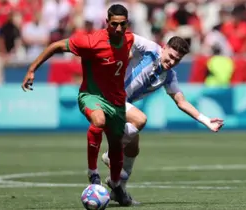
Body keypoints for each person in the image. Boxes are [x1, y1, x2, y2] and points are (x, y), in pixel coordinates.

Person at [22, 4, 136, 206]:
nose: (118, 29)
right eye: (114, 24)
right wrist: (32, 69)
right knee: (98, 121)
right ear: (107, 22)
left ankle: (117, 186)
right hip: (91, 96)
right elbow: (56, 46)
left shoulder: (130, 39)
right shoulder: (91, 42)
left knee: (117, 146)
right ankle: (93, 172)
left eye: (122, 24)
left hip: (117, 101)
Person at [87, 36, 224, 203]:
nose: (172, 61)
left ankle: (118, 190)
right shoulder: (150, 48)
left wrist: (206, 120)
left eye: (177, 60)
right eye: (171, 56)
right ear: (164, 47)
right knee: (140, 119)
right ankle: (111, 155)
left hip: (122, 103)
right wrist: (120, 52)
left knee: (133, 148)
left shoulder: (169, 76)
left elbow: (181, 101)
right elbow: (125, 36)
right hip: (106, 95)